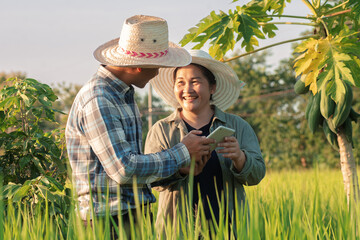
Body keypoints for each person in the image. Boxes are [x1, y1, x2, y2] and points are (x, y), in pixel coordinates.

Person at [65, 15, 215, 238]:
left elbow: (135, 169)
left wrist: (180, 170)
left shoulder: (123, 95)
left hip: (132, 215)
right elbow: (124, 169)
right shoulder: (99, 99)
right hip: (107, 222)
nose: (157, 73)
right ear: (137, 67)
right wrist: (183, 151)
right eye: (157, 66)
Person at [145, 50, 266, 234]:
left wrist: (240, 158)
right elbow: (150, 179)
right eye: (181, 83)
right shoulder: (162, 130)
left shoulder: (238, 126)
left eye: (195, 82)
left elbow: (257, 175)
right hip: (178, 232)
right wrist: (182, 169)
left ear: (212, 87)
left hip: (230, 230)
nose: (187, 89)